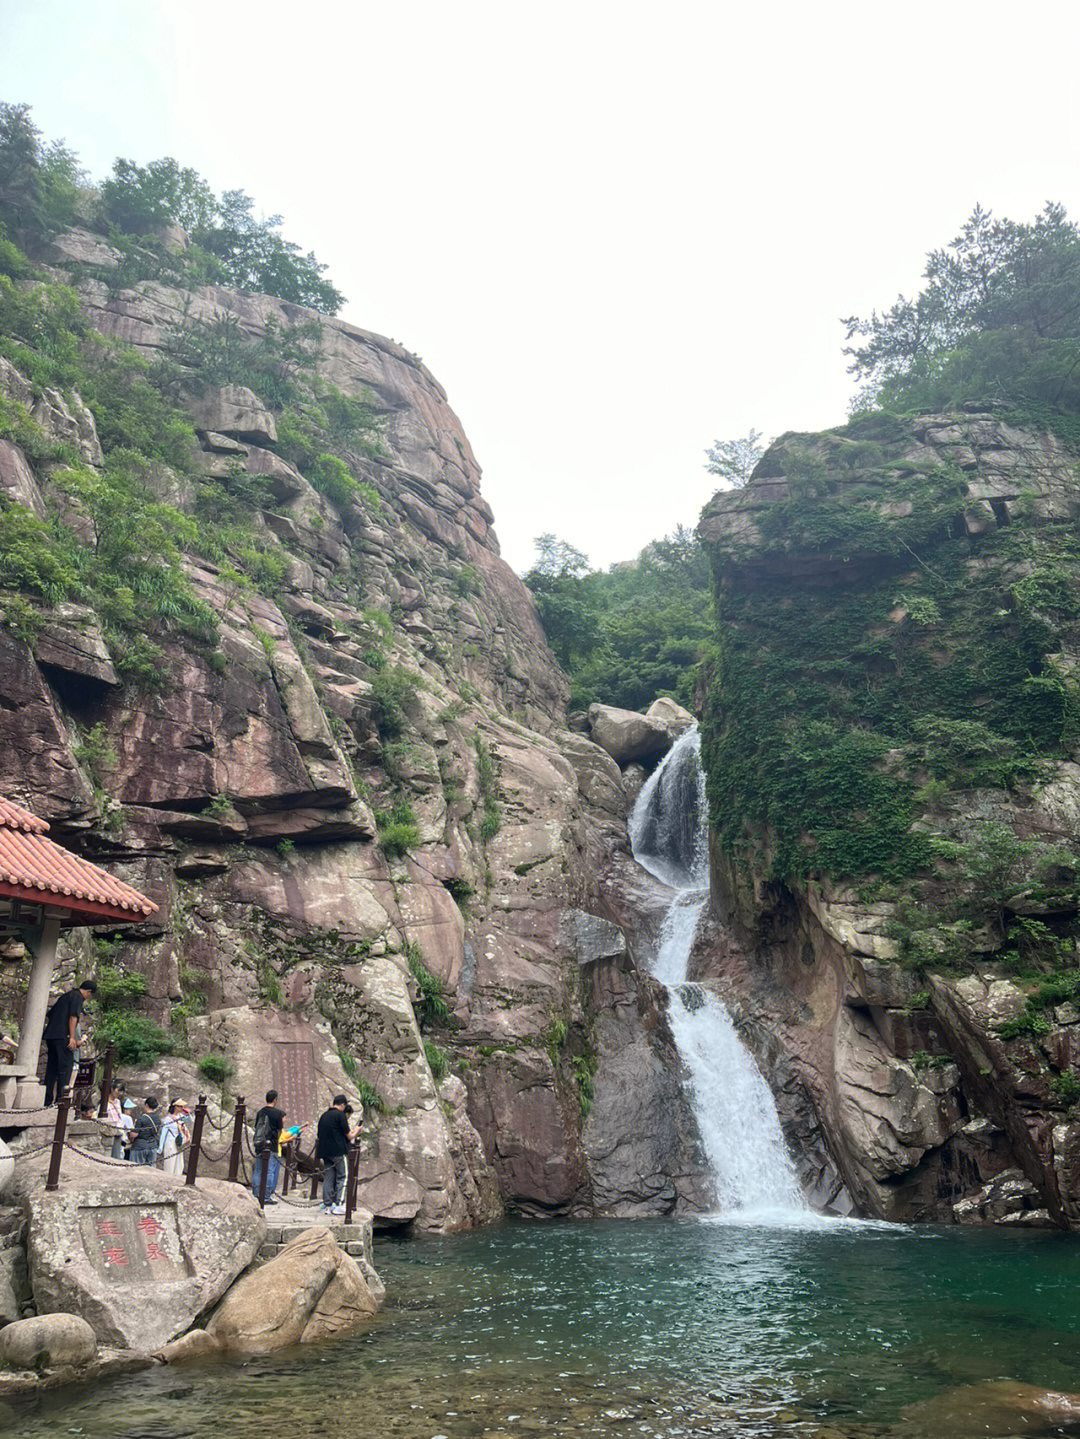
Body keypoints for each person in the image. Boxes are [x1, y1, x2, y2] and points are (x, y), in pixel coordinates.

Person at [42, 978, 97, 1106]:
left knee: (52, 1069)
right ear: (88, 992)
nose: (89, 998)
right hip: (63, 1036)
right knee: (65, 1068)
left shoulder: (66, 996)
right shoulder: (77, 997)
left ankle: (47, 1100)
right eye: (90, 995)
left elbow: (51, 1014)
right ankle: (61, 1102)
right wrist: (71, 1037)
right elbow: (73, 1016)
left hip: (51, 1035)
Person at [315, 1094, 359, 1215]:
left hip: (325, 1152)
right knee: (343, 1176)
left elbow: (319, 1134)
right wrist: (357, 1131)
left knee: (328, 1178)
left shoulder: (324, 1116)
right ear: (342, 1105)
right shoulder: (340, 1115)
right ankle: (340, 1204)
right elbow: (349, 1135)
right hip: (339, 1152)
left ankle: (328, 1204)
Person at [251, 1089, 286, 1204]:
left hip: (259, 1144)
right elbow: (280, 1131)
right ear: (275, 1099)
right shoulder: (278, 1113)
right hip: (272, 1145)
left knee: (258, 1170)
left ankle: (256, 1194)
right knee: (270, 1171)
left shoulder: (260, 1112)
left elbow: (257, 1127)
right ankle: (266, 1196)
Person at [158, 1100, 190, 1176]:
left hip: (179, 1142)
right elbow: (163, 1133)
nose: (182, 1108)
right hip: (170, 1143)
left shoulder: (181, 1116)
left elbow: (189, 1120)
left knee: (179, 1164)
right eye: (180, 1106)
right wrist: (160, 1147)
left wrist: (187, 1113)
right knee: (170, 1164)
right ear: (175, 1107)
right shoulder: (168, 1119)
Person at [127, 1096, 161, 1164]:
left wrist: (129, 1136)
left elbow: (134, 1134)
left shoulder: (142, 1118)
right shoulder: (158, 1119)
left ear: (146, 1105)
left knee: (136, 1168)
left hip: (140, 1146)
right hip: (152, 1146)